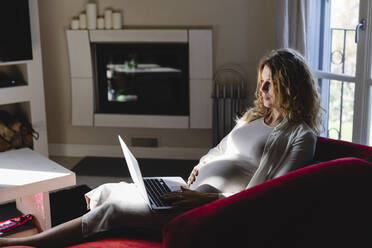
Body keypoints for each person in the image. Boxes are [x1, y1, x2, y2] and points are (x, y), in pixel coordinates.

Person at [0, 48, 323, 247]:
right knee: (106, 190)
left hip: (213, 210)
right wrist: (201, 165)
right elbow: (220, 150)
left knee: (113, 209)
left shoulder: (299, 136)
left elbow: (269, 196)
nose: (262, 89)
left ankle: (33, 244)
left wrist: (206, 198)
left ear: (290, 86)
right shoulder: (254, 119)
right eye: (262, 81)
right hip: (186, 191)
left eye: (271, 83)